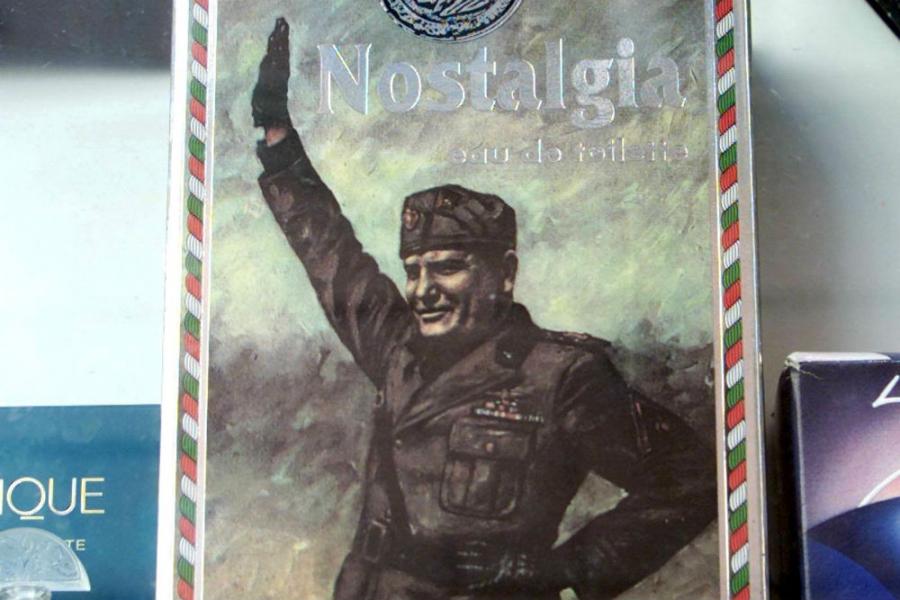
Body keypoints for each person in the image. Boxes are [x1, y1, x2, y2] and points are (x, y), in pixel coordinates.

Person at [251, 18, 716, 600]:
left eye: (447, 267)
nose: (422, 290)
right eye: (414, 270)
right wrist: (279, 143)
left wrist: (567, 569)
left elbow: (690, 479)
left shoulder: (561, 376)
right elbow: (330, 253)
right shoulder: (397, 348)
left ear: (505, 274)